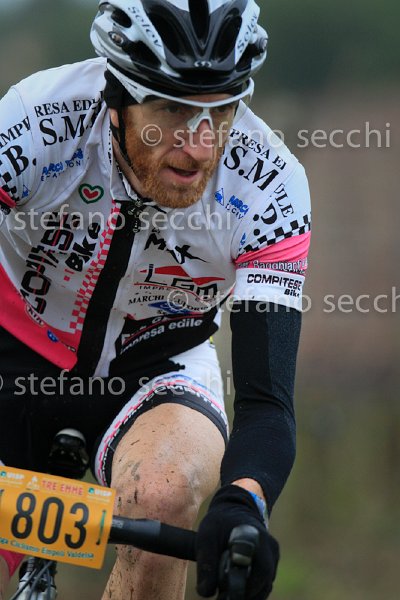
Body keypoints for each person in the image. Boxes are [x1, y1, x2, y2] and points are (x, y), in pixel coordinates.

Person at [0, 1, 311, 598]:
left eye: (221, 111)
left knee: (165, 497)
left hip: (158, 367)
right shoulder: (37, 120)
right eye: (172, 110)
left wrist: (243, 503)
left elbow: (267, 403)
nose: (198, 148)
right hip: (14, 344)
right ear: (116, 98)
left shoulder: (271, 185)